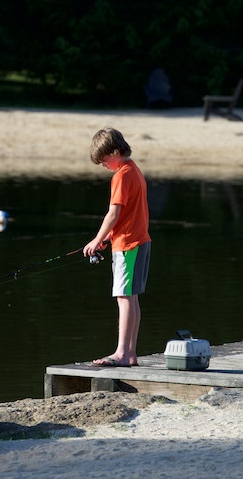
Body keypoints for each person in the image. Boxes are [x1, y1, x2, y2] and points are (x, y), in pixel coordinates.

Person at [83, 127, 151, 367]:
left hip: (128, 244)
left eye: (104, 159)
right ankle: (130, 353)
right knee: (131, 297)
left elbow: (114, 213)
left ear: (114, 151)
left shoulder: (122, 175)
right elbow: (127, 214)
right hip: (138, 241)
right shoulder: (135, 170)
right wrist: (107, 237)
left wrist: (96, 239)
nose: (103, 165)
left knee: (124, 297)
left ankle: (122, 353)